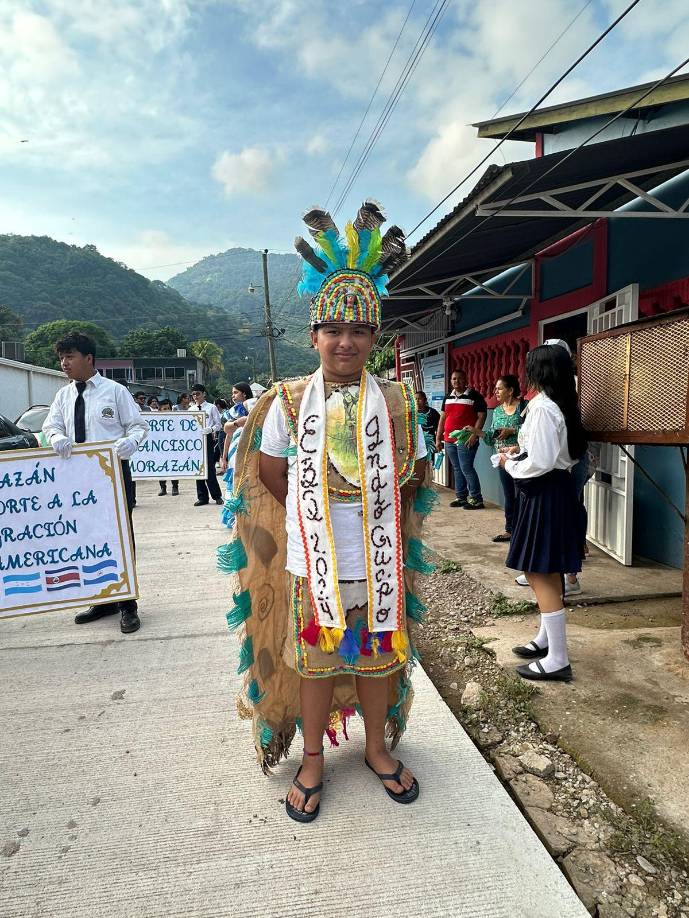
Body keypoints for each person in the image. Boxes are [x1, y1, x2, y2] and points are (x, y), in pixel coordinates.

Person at [225, 200, 431, 823]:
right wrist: (309, 516)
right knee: (315, 664)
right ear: (313, 336)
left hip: (378, 563)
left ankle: (374, 749)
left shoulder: (397, 401)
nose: (346, 342)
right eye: (334, 330)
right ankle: (312, 759)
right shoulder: (288, 401)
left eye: (359, 331)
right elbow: (270, 471)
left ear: (374, 338)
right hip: (314, 565)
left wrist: (374, 516)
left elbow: (416, 473)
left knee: (377, 658)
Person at [42, 332, 148, 634]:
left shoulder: (114, 391)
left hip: (112, 475)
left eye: (70, 356)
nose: (64, 363)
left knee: (119, 536)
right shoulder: (63, 396)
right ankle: (102, 600)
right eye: (61, 358)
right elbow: (51, 425)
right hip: (78, 480)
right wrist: (56, 436)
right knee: (88, 538)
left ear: (88, 358)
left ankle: (128, 604)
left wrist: (130, 442)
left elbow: (139, 426)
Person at [499, 344, 587, 683]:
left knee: (539, 571)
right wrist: (519, 453)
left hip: (545, 493)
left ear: (539, 371)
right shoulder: (561, 404)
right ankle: (547, 639)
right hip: (554, 491)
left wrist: (509, 464)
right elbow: (548, 453)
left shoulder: (544, 408)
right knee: (546, 570)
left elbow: (541, 462)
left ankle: (558, 658)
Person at [464, 374, 525, 543]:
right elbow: (492, 437)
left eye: (499, 389)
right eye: (495, 389)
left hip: (521, 457)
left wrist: (511, 431)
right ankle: (510, 530)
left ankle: (524, 530)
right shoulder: (497, 411)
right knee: (508, 494)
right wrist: (476, 432)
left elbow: (531, 431)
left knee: (522, 494)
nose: (495, 392)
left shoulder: (524, 407)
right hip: (503, 459)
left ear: (510, 390)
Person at [436, 368, 487, 509]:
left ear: (465, 380)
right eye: (454, 378)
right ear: (450, 381)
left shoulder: (474, 396)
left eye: (459, 378)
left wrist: (474, 435)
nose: (456, 381)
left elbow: (482, 416)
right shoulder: (448, 397)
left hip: (466, 439)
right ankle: (461, 497)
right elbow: (443, 418)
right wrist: (438, 438)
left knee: (466, 468)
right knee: (457, 468)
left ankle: (477, 499)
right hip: (449, 440)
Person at [189, 383, 223, 506]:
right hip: (195, 439)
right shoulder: (191, 409)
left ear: (204, 394)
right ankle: (202, 497)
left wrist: (211, 429)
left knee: (209, 467)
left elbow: (218, 424)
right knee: (198, 467)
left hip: (207, 437)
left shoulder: (211, 407)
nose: (195, 396)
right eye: (193, 394)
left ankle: (216, 495)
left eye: (198, 394)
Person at [157, 398, 179, 496]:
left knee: (173, 466)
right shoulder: (154, 421)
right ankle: (163, 487)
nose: (167, 410)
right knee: (160, 468)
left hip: (172, 447)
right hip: (160, 448)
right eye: (164, 409)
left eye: (168, 408)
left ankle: (175, 486)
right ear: (159, 410)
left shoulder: (175, 420)